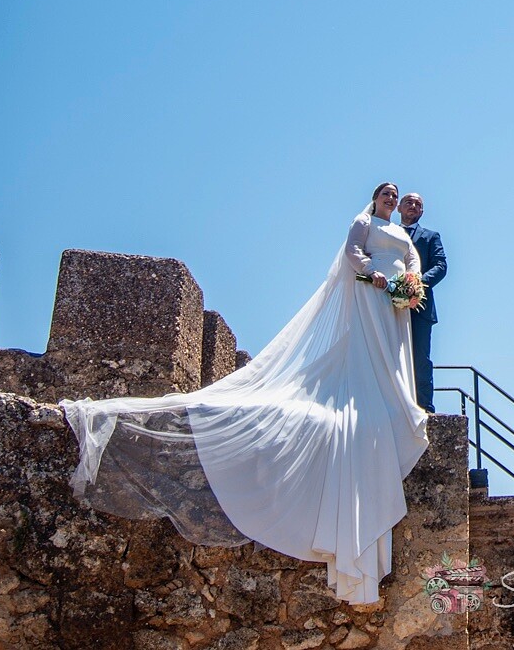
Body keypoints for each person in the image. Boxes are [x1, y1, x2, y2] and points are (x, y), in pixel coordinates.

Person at [60, 182, 429, 605]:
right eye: (386, 194)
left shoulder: (401, 233)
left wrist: (410, 282)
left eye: (394, 196)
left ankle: (391, 395)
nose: (390, 200)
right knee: (368, 351)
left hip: (396, 300)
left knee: (394, 355)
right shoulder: (364, 221)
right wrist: (371, 272)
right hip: (371, 290)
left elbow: (414, 258)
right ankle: (371, 391)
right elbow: (352, 252)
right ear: (376, 197)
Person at [397, 192, 447, 413]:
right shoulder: (384, 233)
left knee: (420, 358)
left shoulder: (431, 236)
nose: (413, 206)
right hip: (385, 303)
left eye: (418, 204)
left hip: (421, 305)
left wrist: (416, 283)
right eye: (409, 202)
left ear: (422, 211)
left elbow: (441, 265)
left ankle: (423, 406)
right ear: (399, 207)